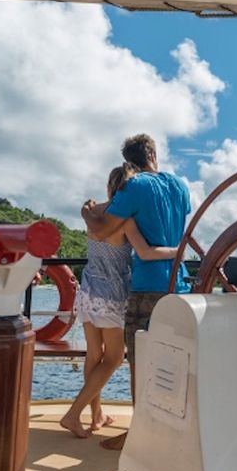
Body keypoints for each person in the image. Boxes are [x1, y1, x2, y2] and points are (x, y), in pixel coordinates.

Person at [81, 133, 190, 450]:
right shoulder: (181, 186)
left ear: (130, 161)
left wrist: (86, 212)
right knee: (173, 360)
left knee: (140, 362)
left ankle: (139, 433)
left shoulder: (134, 187)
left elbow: (101, 229)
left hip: (146, 287)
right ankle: (172, 430)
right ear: (153, 154)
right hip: (179, 285)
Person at [60, 163, 180, 438]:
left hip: (88, 290)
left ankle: (96, 415)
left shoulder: (93, 212)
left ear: (108, 185)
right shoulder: (126, 219)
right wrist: (178, 250)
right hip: (112, 295)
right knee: (114, 358)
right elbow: (146, 253)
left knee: (94, 355)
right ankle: (73, 414)